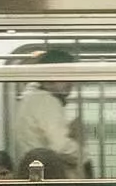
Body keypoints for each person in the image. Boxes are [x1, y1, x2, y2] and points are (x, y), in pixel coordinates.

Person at [10, 46, 83, 178]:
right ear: (50, 77)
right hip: (49, 173)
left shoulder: (30, 97)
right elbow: (61, 146)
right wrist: (81, 153)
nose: (71, 83)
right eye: (66, 76)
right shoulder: (46, 100)